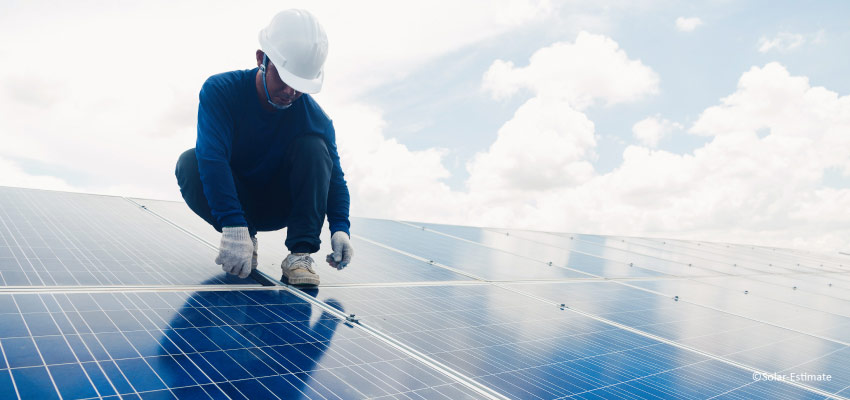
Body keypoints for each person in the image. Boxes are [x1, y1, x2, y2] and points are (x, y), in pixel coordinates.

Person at [175, 9, 352, 286]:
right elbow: (212, 159)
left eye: (300, 85)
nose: (291, 92)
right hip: (236, 199)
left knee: (316, 149)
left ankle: (300, 255)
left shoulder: (316, 119)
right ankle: (246, 237)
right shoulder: (222, 90)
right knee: (190, 163)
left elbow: (335, 179)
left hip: (281, 204)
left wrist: (341, 228)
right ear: (261, 59)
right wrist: (234, 226)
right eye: (285, 79)